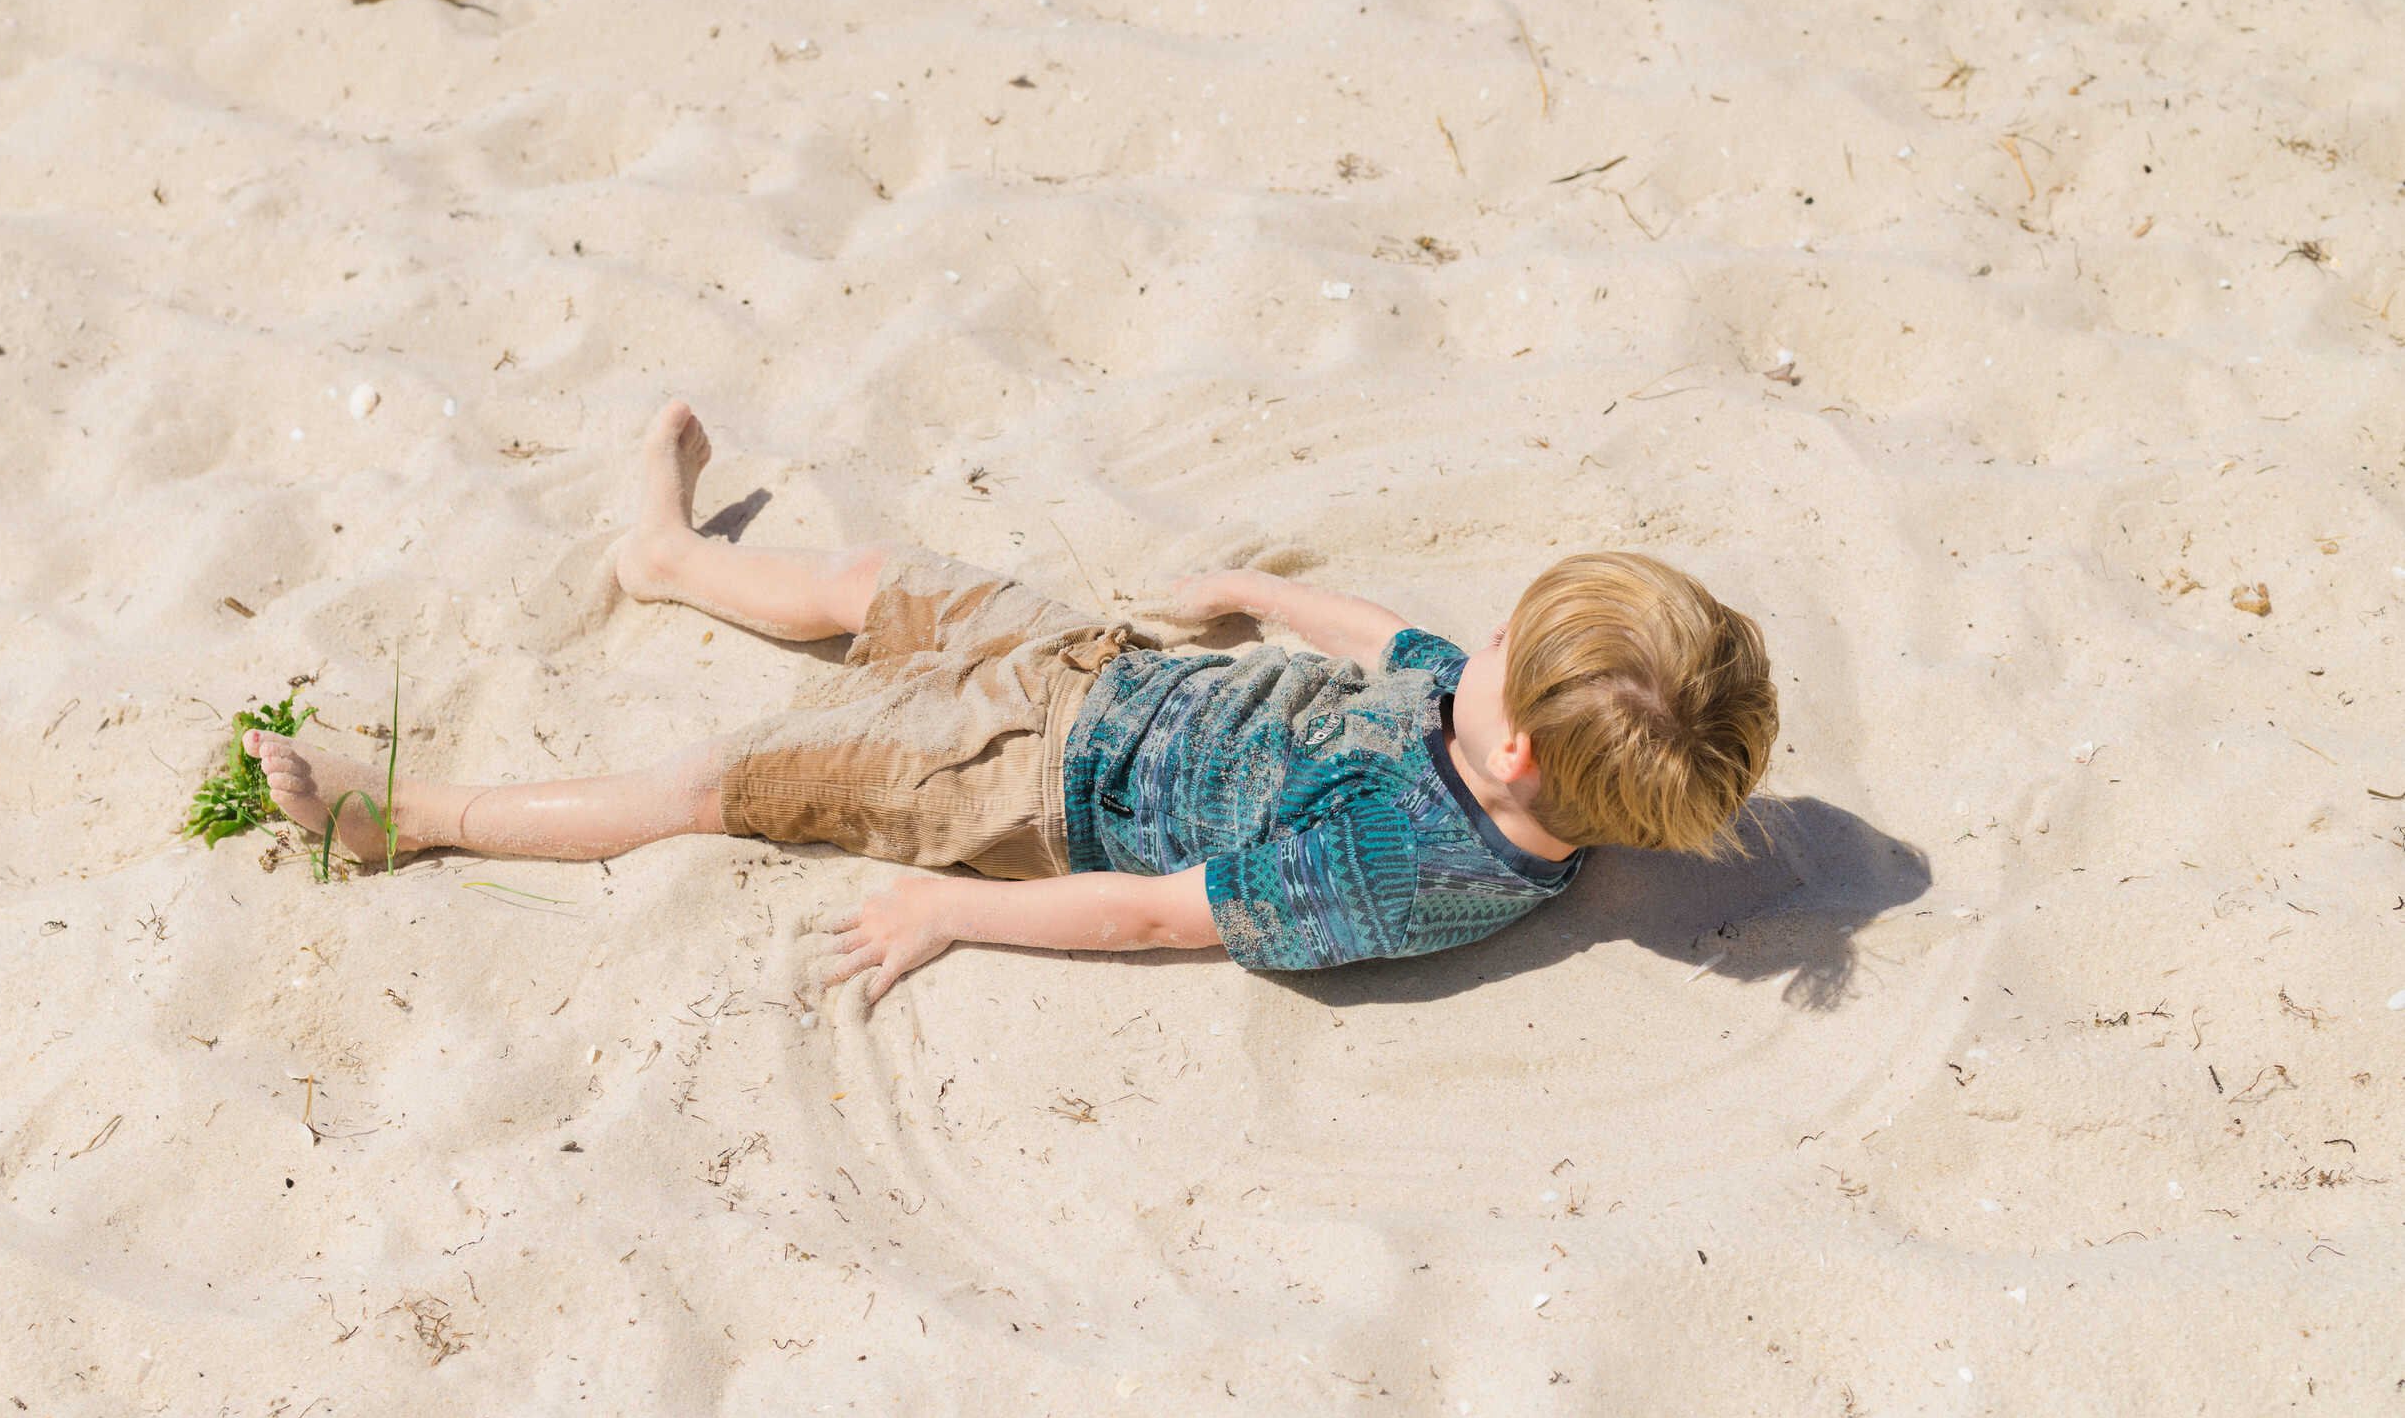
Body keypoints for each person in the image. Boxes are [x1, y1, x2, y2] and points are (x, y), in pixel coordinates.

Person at [243, 403, 1779, 1003]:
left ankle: (408, 820)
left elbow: (1162, 913)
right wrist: (1263, 600)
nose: (1483, 630)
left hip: (1022, 783)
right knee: (872, 580)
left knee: (732, 779)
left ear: (1516, 754)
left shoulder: (1394, 860)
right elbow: (1397, 646)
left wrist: (953, 910)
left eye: (1509, 637)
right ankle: (663, 562)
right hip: (1100, 667)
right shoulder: (1512, 747)